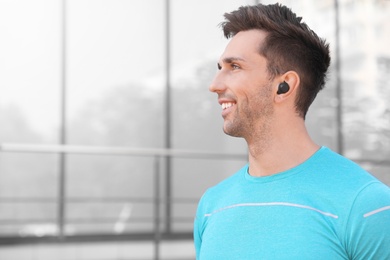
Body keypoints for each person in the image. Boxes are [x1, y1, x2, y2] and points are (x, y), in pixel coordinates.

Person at [193, 3, 390, 259]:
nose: (214, 85)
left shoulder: (367, 206)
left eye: (235, 67)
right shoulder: (211, 205)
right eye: (220, 68)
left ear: (284, 86)